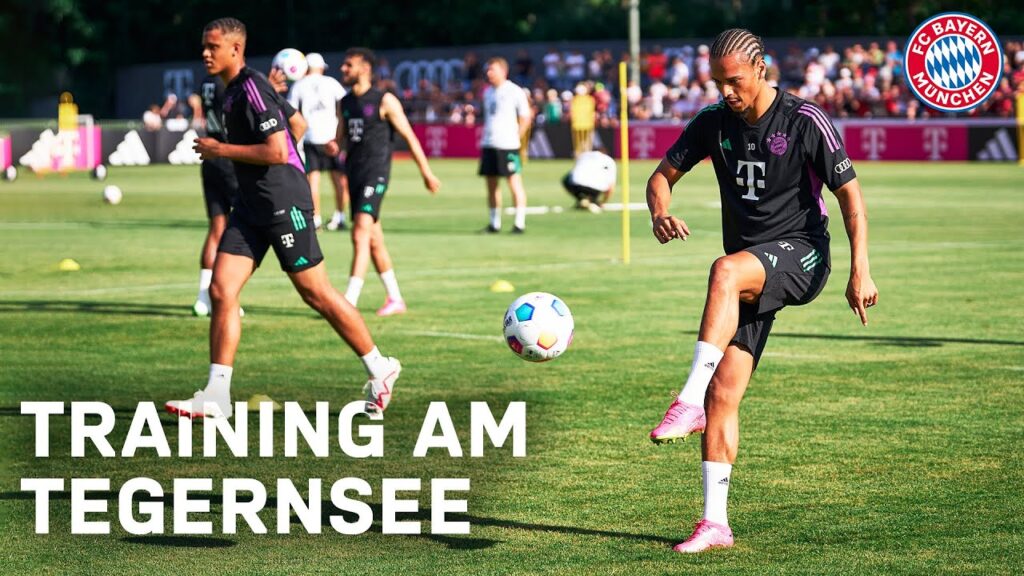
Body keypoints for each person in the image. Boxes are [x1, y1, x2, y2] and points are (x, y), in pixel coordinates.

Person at [645, 29, 878, 553]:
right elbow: (660, 176)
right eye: (718, 81)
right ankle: (715, 523)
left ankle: (685, 400)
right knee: (723, 392)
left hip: (802, 255)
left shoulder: (804, 120)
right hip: (753, 271)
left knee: (724, 270)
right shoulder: (712, 123)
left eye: (736, 80)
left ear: (761, 69)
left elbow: (850, 198)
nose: (727, 91)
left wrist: (859, 269)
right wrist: (659, 211)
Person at [167, 18, 401, 421]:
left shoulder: (252, 88)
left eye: (213, 46)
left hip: (282, 205)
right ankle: (216, 395)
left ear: (235, 49)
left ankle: (380, 367)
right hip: (251, 207)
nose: (205, 53)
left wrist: (224, 151)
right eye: (203, 46)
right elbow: (297, 124)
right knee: (222, 290)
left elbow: (277, 150)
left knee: (317, 294)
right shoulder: (240, 89)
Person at [325, 47, 441, 316]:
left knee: (360, 231)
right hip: (353, 174)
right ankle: (395, 298)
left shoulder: (384, 100)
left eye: (348, 65)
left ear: (365, 68)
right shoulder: (344, 102)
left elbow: (410, 138)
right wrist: (332, 146)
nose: (343, 69)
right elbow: (340, 138)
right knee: (374, 239)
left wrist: (426, 173)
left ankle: (349, 301)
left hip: (375, 173)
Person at [192, 72, 306, 318]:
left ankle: (204, 298)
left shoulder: (206, 83)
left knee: (216, 227)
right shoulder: (237, 87)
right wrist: (268, 90)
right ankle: (225, 297)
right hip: (232, 158)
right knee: (241, 226)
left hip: (210, 158)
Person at [288, 52, 351, 231]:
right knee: (339, 180)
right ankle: (339, 216)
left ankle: (315, 219)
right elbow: (344, 105)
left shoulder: (298, 85)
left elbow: (292, 112)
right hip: (332, 138)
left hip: (309, 138)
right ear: (321, 67)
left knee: (312, 181)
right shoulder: (331, 83)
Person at [478, 57, 532, 234]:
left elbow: (525, 116)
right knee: (491, 185)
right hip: (489, 143)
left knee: (514, 182)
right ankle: (494, 223)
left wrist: (517, 136)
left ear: (503, 71)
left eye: (492, 69)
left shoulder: (514, 91)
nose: (489, 73)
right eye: (488, 70)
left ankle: (519, 223)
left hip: (508, 144)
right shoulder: (487, 93)